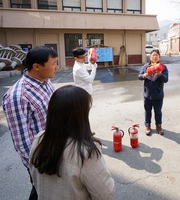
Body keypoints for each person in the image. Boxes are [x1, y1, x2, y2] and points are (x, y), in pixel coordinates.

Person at [29, 85, 115, 199]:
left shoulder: (39, 139)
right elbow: (105, 194)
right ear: (80, 116)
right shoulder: (85, 153)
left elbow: (35, 180)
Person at [2, 46, 59, 200]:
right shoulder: (17, 97)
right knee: (41, 191)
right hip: (42, 160)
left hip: (56, 149)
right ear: (36, 67)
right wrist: (39, 168)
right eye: (53, 63)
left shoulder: (45, 81)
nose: (57, 66)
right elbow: (23, 142)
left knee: (49, 191)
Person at [138, 49, 169, 135]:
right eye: (153, 55)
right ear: (150, 57)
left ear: (159, 57)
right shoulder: (145, 67)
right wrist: (144, 75)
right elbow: (139, 76)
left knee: (158, 111)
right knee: (147, 111)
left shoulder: (163, 67)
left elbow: (166, 79)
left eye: (156, 55)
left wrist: (160, 74)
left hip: (158, 95)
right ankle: (147, 125)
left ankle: (159, 126)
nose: (155, 57)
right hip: (147, 94)